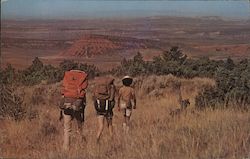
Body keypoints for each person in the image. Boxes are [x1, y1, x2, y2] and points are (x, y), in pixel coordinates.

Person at [59, 70, 88, 151]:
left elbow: (62, 94)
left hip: (66, 103)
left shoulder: (67, 79)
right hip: (77, 104)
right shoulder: (82, 80)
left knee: (67, 128)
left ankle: (66, 148)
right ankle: (81, 147)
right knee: (79, 126)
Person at [93, 76, 116, 143]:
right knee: (110, 124)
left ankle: (97, 138)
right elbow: (112, 98)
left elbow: (94, 96)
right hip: (108, 107)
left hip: (99, 106)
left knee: (101, 125)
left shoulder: (97, 85)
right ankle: (112, 139)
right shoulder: (111, 86)